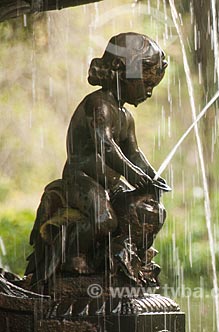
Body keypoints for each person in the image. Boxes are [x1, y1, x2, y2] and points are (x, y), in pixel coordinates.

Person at [26, 33, 169, 285]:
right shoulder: (98, 105)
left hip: (108, 183)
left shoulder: (126, 116)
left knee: (149, 211)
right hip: (80, 178)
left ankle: (122, 261)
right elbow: (105, 145)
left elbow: (134, 152)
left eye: (152, 87)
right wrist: (134, 175)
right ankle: (72, 253)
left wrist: (152, 177)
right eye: (146, 84)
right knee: (105, 220)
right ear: (119, 70)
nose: (148, 92)